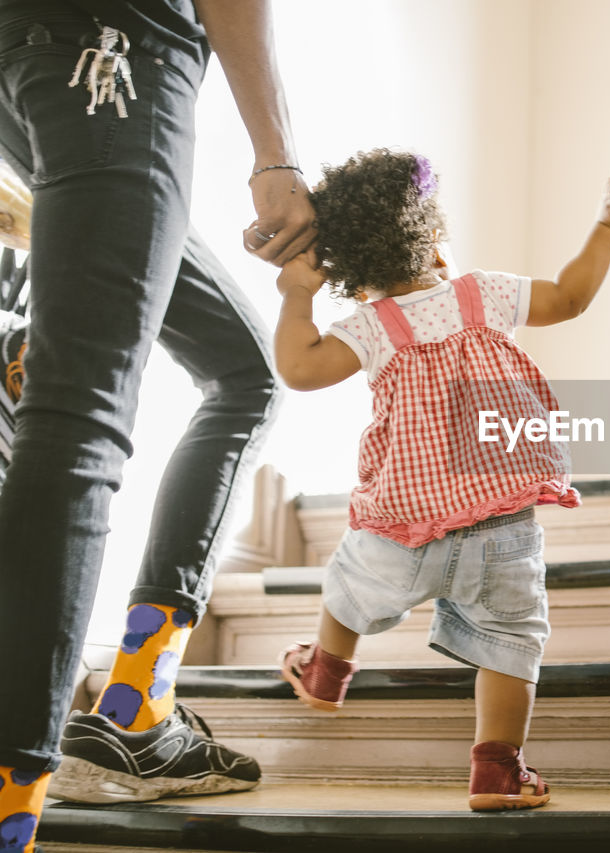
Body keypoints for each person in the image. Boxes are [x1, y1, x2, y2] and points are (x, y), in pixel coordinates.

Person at [0, 0, 315, 846]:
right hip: (116, 52)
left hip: (46, 66)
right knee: (77, 418)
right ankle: (8, 815)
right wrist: (275, 154)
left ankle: (137, 702)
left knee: (245, 371)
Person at [273, 149, 610, 811]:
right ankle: (497, 768)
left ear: (354, 278)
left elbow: (298, 366)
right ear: (434, 242)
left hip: (406, 525)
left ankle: (328, 670)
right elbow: (572, 295)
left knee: (349, 573)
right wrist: (604, 229)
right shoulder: (485, 293)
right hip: (503, 526)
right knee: (512, 640)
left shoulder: (371, 325)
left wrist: (297, 292)